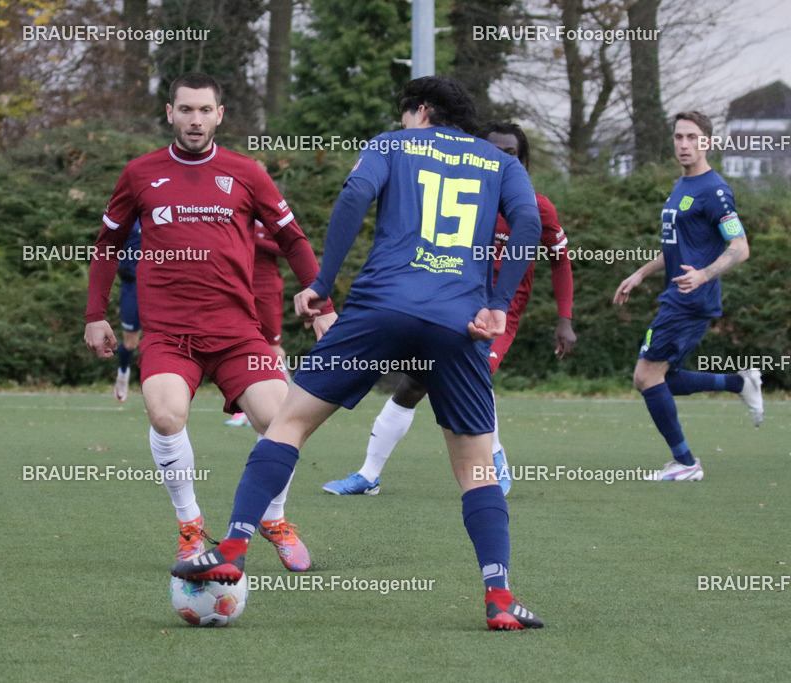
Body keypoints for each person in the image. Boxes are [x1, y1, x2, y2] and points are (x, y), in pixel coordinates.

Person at [173, 76, 546, 630]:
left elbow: (353, 197)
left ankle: (232, 549)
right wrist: (496, 301)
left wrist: (323, 283)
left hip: (379, 309)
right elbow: (530, 224)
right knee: (475, 468)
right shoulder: (500, 162)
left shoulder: (389, 145)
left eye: (405, 115)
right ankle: (498, 597)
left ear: (421, 111)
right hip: (458, 323)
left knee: (288, 426)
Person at [84, 72, 336, 570]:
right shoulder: (140, 173)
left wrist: (323, 305)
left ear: (220, 115)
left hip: (237, 331)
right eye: (186, 110)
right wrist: (95, 314)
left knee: (283, 420)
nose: (195, 120)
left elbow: (294, 240)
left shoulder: (246, 173)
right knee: (165, 414)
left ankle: (273, 517)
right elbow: (108, 244)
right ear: (170, 113)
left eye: (204, 110)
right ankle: (190, 527)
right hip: (170, 333)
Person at [322, 122, 576, 496]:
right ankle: (368, 475)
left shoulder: (535, 208)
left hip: (497, 316)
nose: (501, 158)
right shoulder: (464, 196)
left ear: (522, 163)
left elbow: (560, 260)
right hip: (449, 305)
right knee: (411, 386)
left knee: (473, 375)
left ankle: (495, 458)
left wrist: (565, 318)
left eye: (510, 154)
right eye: (494, 151)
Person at [614, 111, 762, 482]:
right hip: (676, 296)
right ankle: (740, 383)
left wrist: (704, 275)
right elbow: (678, 247)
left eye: (692, 137)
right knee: (660, 377)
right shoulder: (682, 187)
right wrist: (641, 273)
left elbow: (740, 247)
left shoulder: (714, 191)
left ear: (707, 142)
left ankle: (686, 462)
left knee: (647, 376)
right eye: (679, 137)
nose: (684, 144)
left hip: (690, 300)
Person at [227, 224, 289, 426]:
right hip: (240, 288)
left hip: (268, 289)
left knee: (273, 350)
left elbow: (288, 248)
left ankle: (290, 403)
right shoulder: (236, 214)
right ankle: (247, 408)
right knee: (242, 346)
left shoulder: (272, 216)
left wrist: (258, 242)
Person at [113, 221, 142, 402]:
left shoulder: (165, 209)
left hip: (160, 284)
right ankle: (123, 372)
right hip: (132, 285)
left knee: (163, 340)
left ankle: (161, 391)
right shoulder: (126, 215)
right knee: (131, 343)